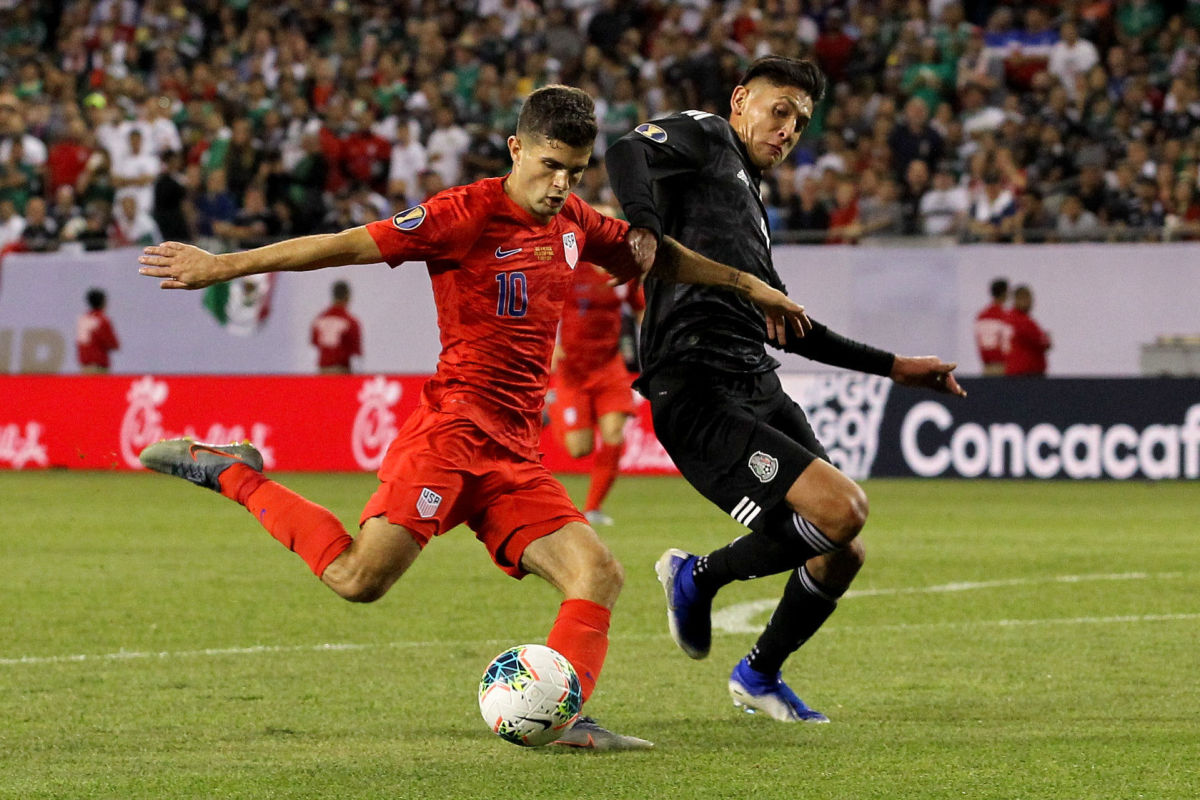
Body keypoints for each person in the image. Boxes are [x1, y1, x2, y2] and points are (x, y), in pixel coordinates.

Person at [136, 85, 809, 750]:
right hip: (452, 433)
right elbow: (345, 244)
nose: (560, 185)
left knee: (598, 573)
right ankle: (232, 473)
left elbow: (656, 257)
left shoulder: (572, 221)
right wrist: (224, 265)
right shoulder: (462, 214)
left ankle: (564, 717)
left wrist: (747, 284)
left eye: (575, 172)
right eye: (550, 166)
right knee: (358, 580)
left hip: (516, 452)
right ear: (516, 149)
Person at [606, 56, 966, 723]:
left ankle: (759, 674)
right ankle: (697, 576)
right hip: (696, 386)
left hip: (754, 381)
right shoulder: (707, 137)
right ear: (741, 100)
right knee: (844, 510)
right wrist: (645, 224)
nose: (788, 130)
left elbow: (793, 330)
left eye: (800, 123)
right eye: (779, 111)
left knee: (842, 550)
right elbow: (626, 149)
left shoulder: (750, 206)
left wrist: (896, 366)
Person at [549, 261, 644, 527]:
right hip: (573, 368)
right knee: (580, 449)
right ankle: (553, 410)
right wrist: (549, 343)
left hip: (610, 365)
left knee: (614, 433)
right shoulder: (571, 269)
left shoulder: (625, 272)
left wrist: (655, 340)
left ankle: (592, 508)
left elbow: (640, 308)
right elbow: (543, 304)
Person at [311, 280, 363, 374]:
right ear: (348, 297)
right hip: (341, 371)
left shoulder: (320, 319)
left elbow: (314, 341)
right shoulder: (350, 321)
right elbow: (356, 352)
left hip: (322, 371)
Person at [1004, 284, 1051, 376]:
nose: (1030, 301)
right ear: (1017, 299)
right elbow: (1043, 342)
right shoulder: (1021, 320)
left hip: (1019, 372)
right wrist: (1045, 338)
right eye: (1026, 298)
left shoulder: (1010, 318)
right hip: (1025, 374)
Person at [77, 288, 120, 373]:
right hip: (98, 366)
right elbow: (113, 344)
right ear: (103, 302)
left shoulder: (83, 319)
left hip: (85, 366)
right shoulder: (101, 320)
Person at [974, 278, 1011, 376]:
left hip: (987, 366)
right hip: (1002, 366)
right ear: (1005, 293)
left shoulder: (981, 316)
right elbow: (1006, 343)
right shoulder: (1005, 316)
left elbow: (980, 341)